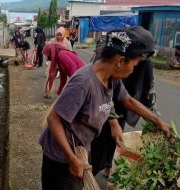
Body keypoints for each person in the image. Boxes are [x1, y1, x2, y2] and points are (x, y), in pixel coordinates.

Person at [39, 28, 170, 190]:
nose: (133, 70)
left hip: (81, 148)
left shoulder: (111, 78)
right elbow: (53, 119)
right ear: (121, 61)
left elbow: (127, 100)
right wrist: (72, 159)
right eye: (134, 65)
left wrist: (157, 121)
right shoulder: (84, 83)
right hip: (61, 158)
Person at [90, 26, 159, 177]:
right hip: (101, 108)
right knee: (99, 144)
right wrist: (112, 120)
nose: (138, 64)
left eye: (146, 56)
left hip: (120, 105)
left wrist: (155, 119)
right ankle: (90, 172)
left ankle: (109, 166)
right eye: (140, 57)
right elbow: (104, 92)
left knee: (116, 140)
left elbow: (135, 96)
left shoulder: (144, 64)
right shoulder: (104, 64)